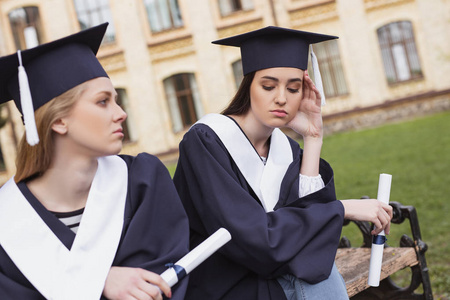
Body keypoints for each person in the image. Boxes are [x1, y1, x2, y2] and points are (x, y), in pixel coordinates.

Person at [173, 26, 393, 299]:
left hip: (272, 274)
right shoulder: (206, 142)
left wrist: (313, 138)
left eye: (293, 88)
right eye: (268, 86)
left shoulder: (285, 149)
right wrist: (342, 208)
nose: (281, 98)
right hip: (223, 281)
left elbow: (309, 242)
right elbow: (253, 238)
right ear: (248, 86)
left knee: (315, 275)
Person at [0, 23, 189, 300]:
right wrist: (100, 280)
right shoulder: (7, 219)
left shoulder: (142, 182)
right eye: (103, 102)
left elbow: (161, 287)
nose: (121, 113)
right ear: (59, 121)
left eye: (116, 99)